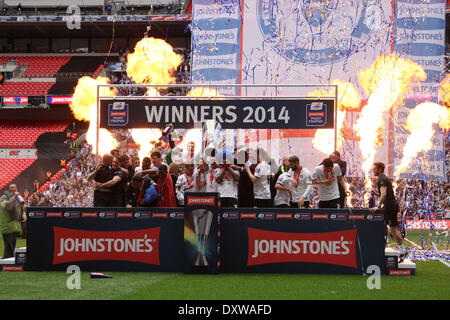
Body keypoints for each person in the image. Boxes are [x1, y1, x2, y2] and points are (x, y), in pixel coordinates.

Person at [369, 162, 407, 262]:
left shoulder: (381, 179)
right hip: (390, 205)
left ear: (380, 169)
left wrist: (378, 206)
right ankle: (396, 249)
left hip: (390, 207)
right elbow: (384, 194)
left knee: (393, 229)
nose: (373, 170)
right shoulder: (384, 178)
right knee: (390, 229)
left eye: (375, 168)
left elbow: (384, 194)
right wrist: (377, 194)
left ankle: (402, 251)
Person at [0, 184, 26, 259]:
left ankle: (10, 259)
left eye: (14, 187)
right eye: (11, 187)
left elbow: (21, 208)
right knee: (8, 244)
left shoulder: (18, 198)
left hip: (15, 225)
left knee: (13, 244)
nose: (13, 189)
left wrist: (23, 215)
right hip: (7, 224)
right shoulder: (4, 197)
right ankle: (7, 260)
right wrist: (14, 197)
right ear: (8, 189)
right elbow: (7, 206)